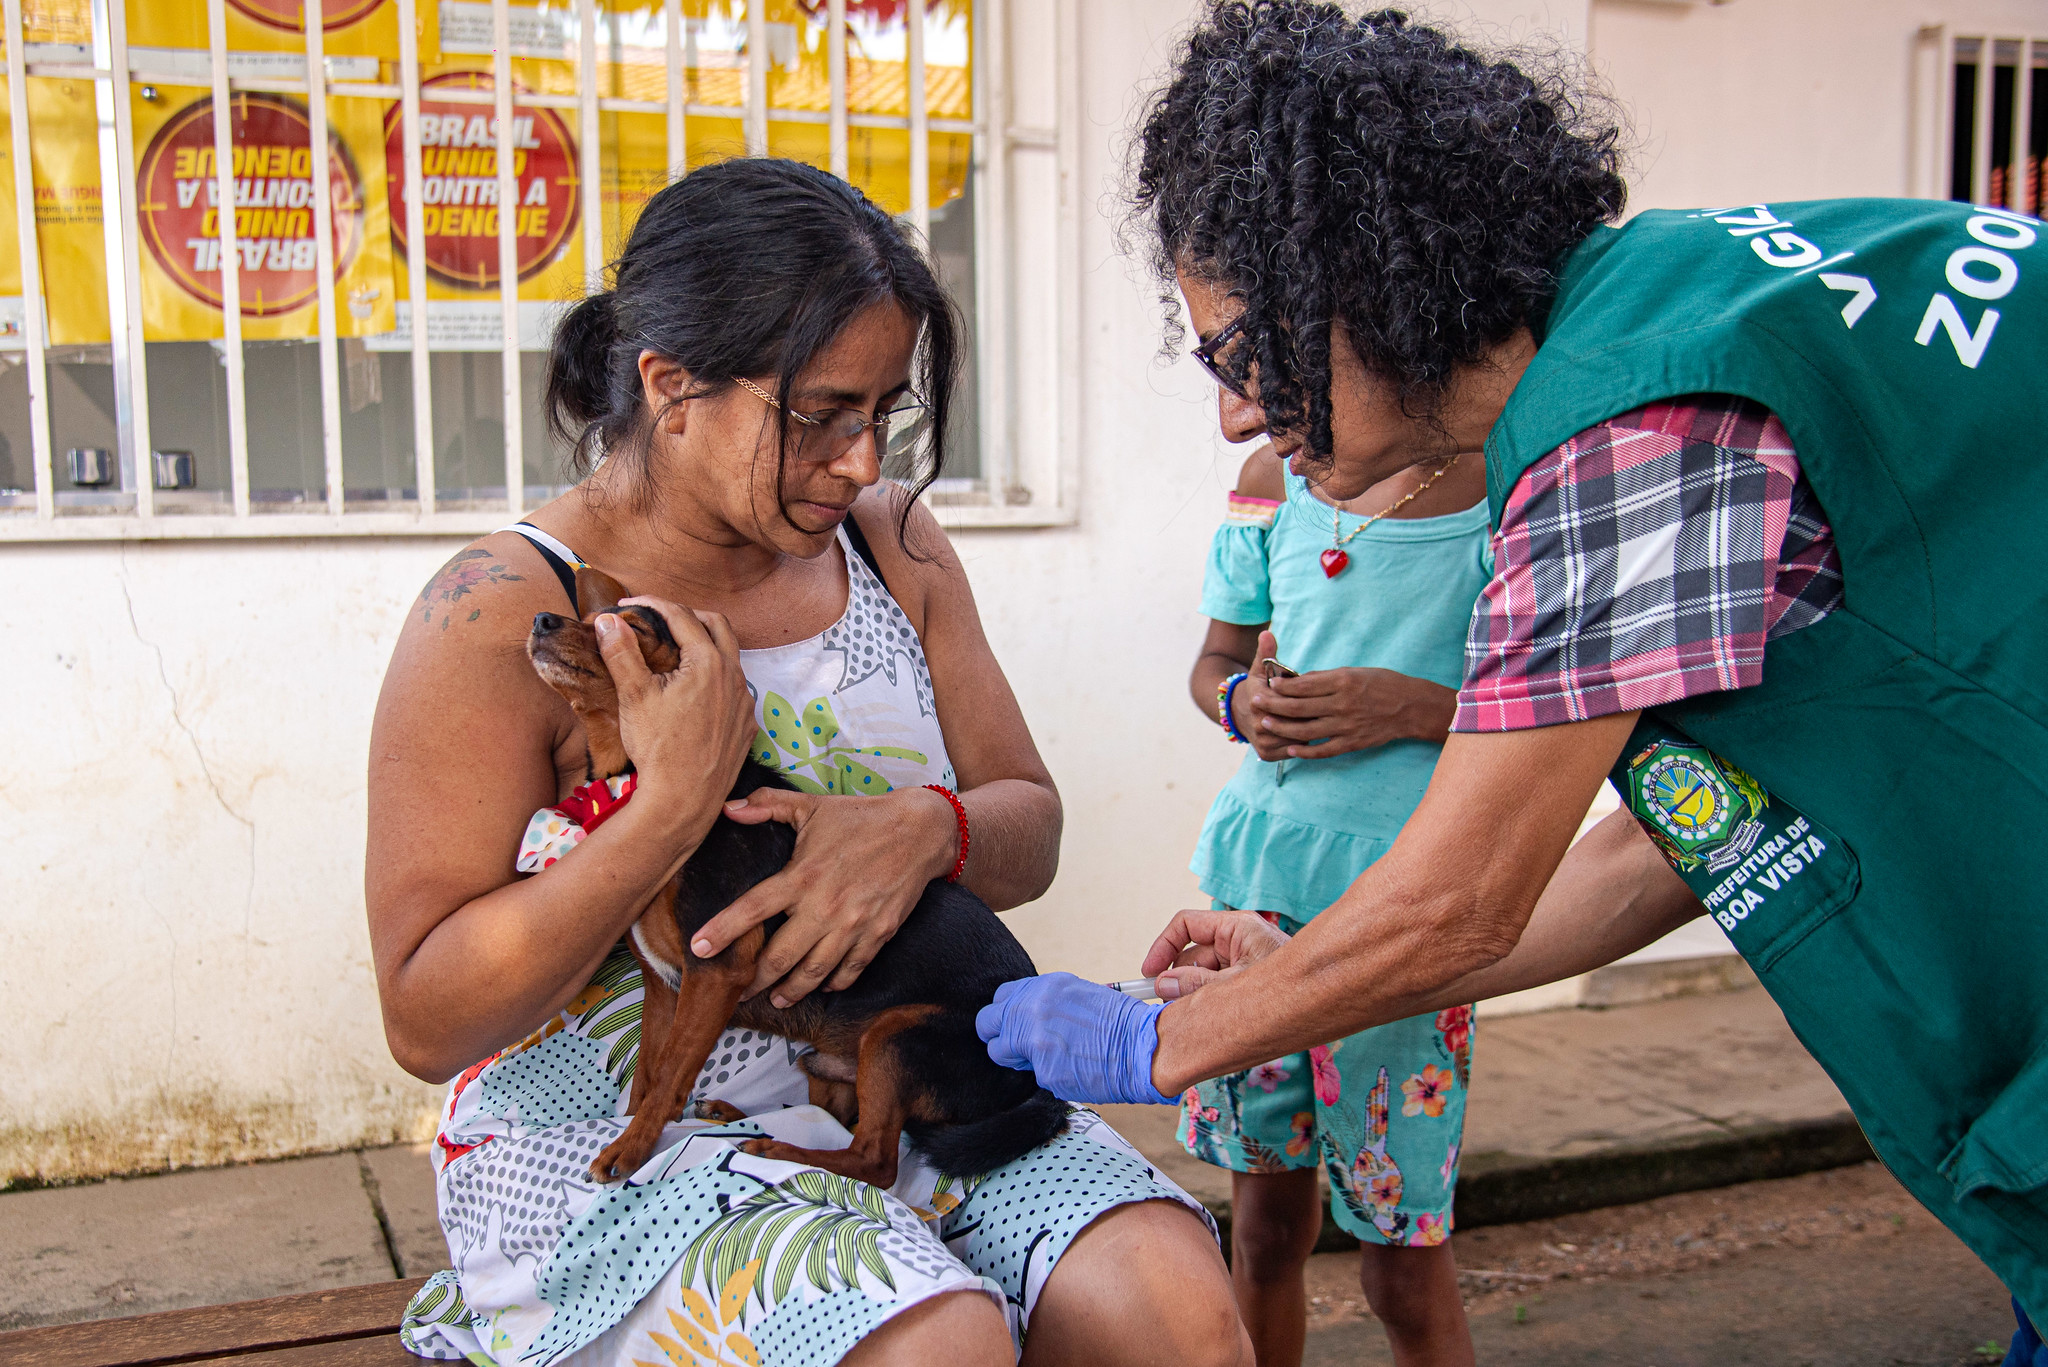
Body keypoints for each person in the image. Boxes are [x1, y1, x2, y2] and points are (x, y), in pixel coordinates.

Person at [974, 4, 2048, 1361]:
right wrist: (1308, 963)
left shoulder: (1632, 419)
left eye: (1239, 356)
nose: (1236, 415)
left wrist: (1155, 1043)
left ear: (1363, 281)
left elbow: (1463, 901)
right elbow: (1668, 849)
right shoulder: (1689, 298)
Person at [366, 158, 1248, 1367]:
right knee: (934, 1344)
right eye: (820, 413)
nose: (856, 459)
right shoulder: (500, 609)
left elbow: (1027, 823)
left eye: (880, 411)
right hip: (619, 1151)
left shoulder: (891, 544)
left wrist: (925, 827)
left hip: (900, 1082)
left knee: (1176, 1307)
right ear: (670, 384)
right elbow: (424, 1011)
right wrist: (667, 809)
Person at [1185, 437, 1488, 1367]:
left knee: (1401, 1265)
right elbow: (1215, 663)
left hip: (1407, 912)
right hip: (1257, 889)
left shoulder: (1509, 479)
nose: (1239, 408)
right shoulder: (1271, 485)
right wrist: (1245, 704)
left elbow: (1551, 705)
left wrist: (1412, 707)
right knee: (1266, 1233)